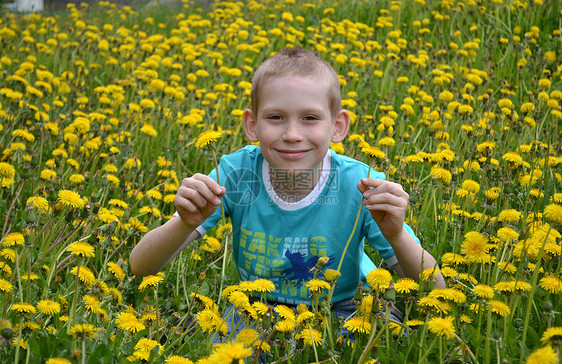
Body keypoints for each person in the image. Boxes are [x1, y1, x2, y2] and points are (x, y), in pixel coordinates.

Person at [129, 48, 445, 319]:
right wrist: (184, 224)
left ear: (338, 126)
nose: (292, 134)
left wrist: (397, 235)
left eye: (310, 118)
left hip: (343, 304)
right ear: (252, 125)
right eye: (276, 117)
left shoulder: (361, 185)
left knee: (379, 340)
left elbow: (435, 291)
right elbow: (140, 265)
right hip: (257, 305)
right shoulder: (237, 175)